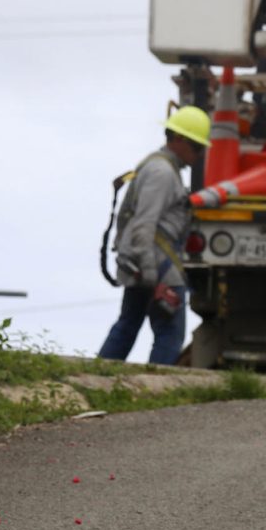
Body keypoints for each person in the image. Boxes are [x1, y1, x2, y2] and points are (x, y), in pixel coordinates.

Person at [98, 106, 210, 365]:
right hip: (157, 266)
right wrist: (151, 275)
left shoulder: (159, 168)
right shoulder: (162, 173)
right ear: (179, 139)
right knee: (169, 334)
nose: (199, 154)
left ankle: (100, 375)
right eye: (196, 146)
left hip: (143, 262)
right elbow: (143, 225)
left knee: (127, 325)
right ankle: (156, 391)